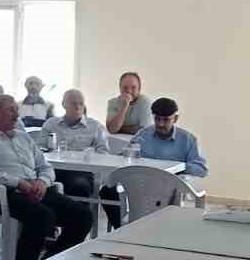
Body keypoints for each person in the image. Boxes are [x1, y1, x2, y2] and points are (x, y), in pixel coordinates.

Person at [0, 94, 92, 260]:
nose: (17, 115)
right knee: (42, 217)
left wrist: (43, 182)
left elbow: (45, 166)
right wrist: (17, 182)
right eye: (11, 110)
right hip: (3, 193)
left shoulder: (23, 137)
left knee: (83, 216)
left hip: (35, 189)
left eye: (17, 110)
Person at [98, 97, 208, 227]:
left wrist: (178, 167)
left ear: (175, 119)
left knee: (164, 195)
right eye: (157, 119)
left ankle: (158, 229)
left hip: (169, 185)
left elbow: (202, 169)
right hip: (140, 183)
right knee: (107, 189)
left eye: (166, 120)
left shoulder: (188, 139)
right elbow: (126, 156)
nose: (160, 124)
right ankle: (122, 228)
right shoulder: (144, 134)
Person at [42, 88, 109, 204]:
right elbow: (39, 149)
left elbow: (104, 153)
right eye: (73, 103)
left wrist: (89, 154)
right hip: (55, 169)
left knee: (79, 185)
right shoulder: (51, 124)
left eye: (81, 103)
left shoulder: (95, 126)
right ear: (63, 104)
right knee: (40, 183)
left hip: (82, 171)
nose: (78, 107)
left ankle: (79, 215)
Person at [106, 72, 151, 136]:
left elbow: (145, 130)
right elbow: (112, 129)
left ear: (139, 89)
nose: (129, 91)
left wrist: (119, 128)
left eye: (133, 87)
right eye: (125, 87)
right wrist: (124, 105)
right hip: (118, 140)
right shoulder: (112, 102)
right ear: (120, 88)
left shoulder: (145, 102)